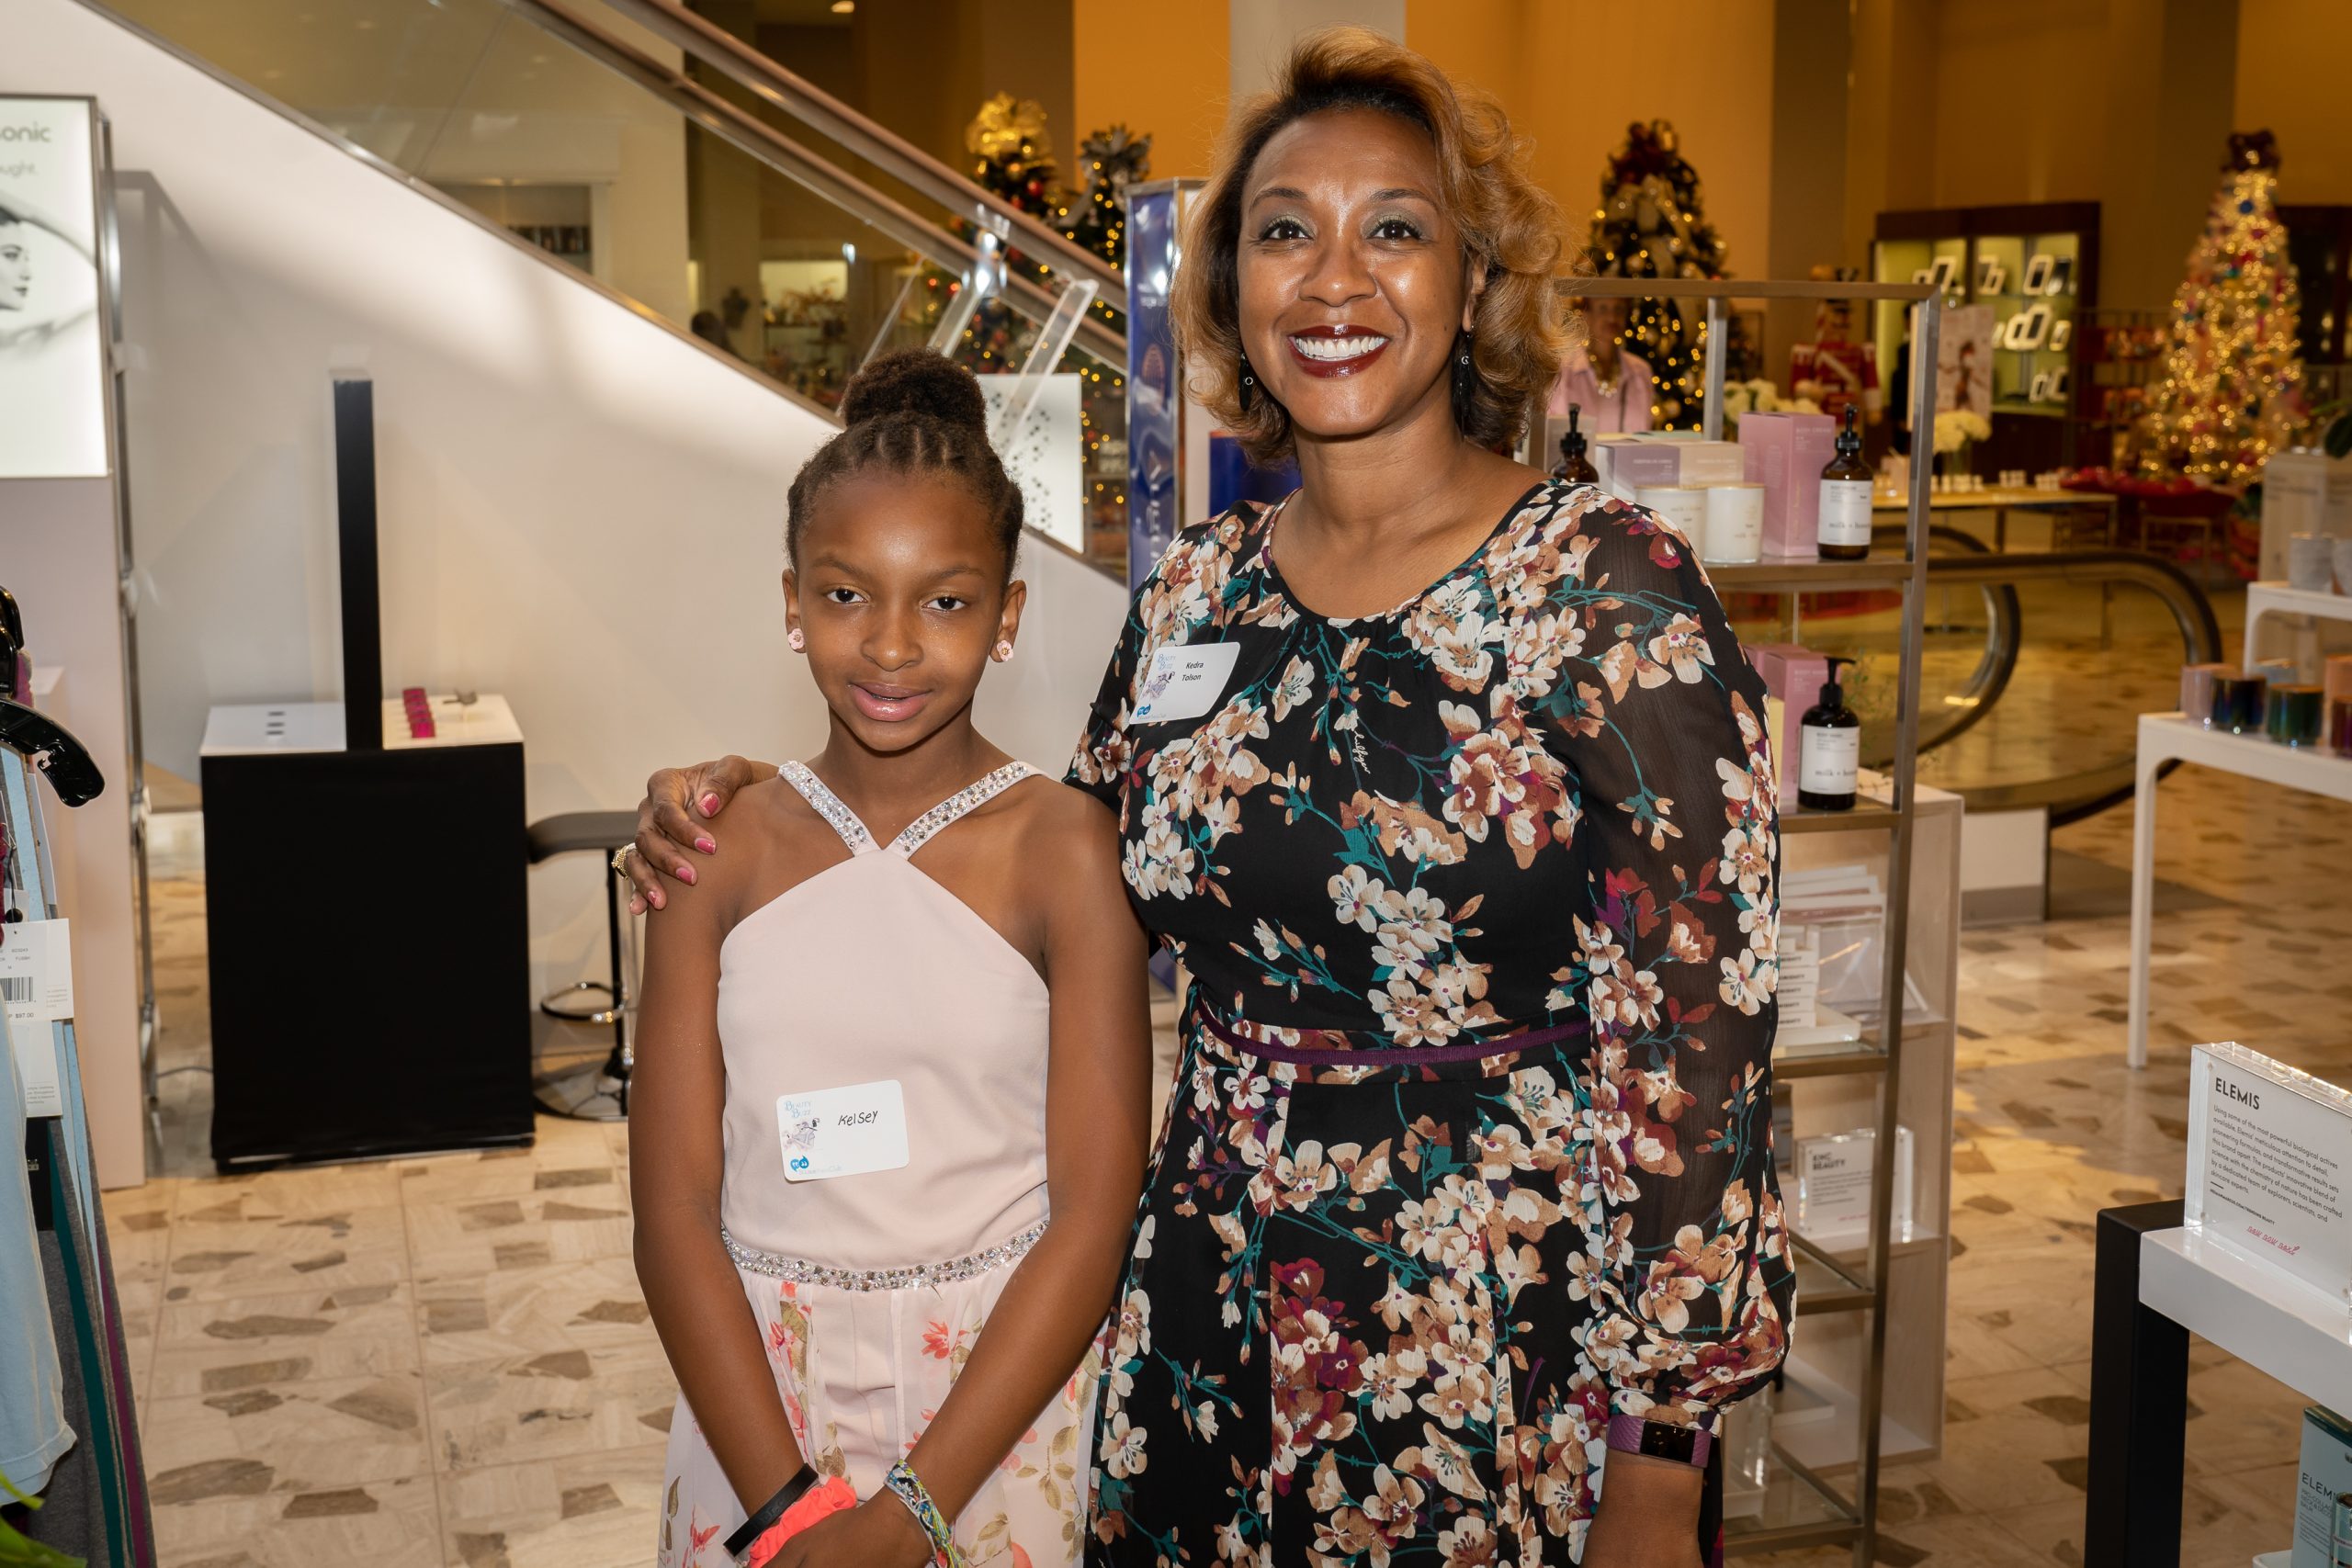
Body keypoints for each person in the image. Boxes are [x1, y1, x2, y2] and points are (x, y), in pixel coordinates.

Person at [628, 28, 1790, 1565]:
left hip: (1494, 1341)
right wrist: (755, 798)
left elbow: (1707, 1049)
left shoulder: (1609, 591)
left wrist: (1658, 1462)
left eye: (1394, 229)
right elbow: (1039, 856)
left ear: (1471, 280)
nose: (1334, 280)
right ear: (1234, 286)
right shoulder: (1196, 595)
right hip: (1204, 1329)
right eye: (1286, 231)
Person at [628, 348, 1152, 1568]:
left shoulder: (1068, 852)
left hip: (995, 1411)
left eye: (946, 601)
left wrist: (913, 1511)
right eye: (847, 594)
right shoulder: (717, 848)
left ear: (1008, 616)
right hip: (758, 1401)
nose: (892, 646)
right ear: (792, 602)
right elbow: (671, 1209)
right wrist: (784, 1509)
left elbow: (1093, 1210)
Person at [1546, 292, 1653, 433]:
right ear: (1586, 315)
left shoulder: (1641, 371)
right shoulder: (1562, 369)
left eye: (1619, 309)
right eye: (1603, 309)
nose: (1612, 318)